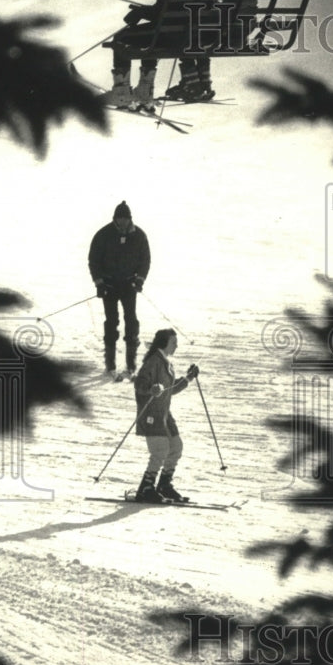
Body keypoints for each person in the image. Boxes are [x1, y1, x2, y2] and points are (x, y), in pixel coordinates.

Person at [104, 0, 214, 111]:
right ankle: (144, 91)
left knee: (121, 38)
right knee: (149, 39)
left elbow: (158, 14)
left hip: (169, 36)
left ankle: (122, 93)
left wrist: (139, 13)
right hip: (191, 36)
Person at [165, 0, 257, 101]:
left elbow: (228, 14)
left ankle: (194, 85)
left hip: (229, 34)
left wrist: (212, 10)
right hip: (239, 34)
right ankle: (204, 84)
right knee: (200, 39)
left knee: (188, 41)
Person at [133, 328, 199, 503]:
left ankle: (164, 485)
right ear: (164, 343)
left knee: (176, 447)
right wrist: (150, 389)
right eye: (173, 343)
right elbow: (140, 384)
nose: (176, 346)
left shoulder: (166, 362)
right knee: (160, 450)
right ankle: (145, 488)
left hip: (164, 414)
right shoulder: (153, 362)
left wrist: (188, 378)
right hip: (151, 414)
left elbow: (169, 390)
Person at [88, 201, 150, 377]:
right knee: (111, 321)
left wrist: (139, 280)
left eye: (125, 219)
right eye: (119, 219)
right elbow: (94, 260)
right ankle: (110, 364)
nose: (121, 222)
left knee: (131, 321)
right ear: (114, 219)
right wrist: (99, 283)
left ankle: (131, 365)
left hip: (129, 285)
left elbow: (145, 260)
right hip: (109, 286)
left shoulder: (139, 236)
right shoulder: (103, 235)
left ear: (130, 219)